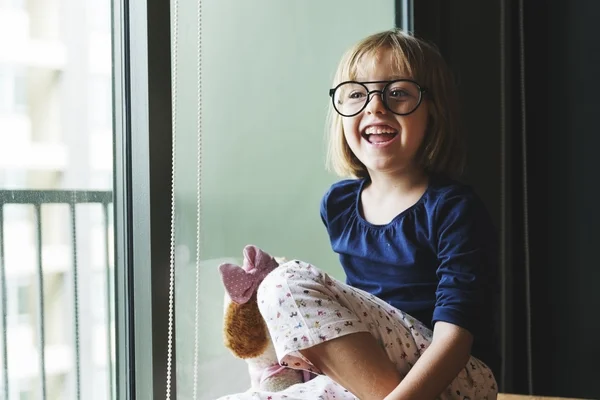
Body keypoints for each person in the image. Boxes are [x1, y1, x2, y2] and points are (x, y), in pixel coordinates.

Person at [218, 28, 500, 400]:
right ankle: (280, 378)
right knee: (258, 302)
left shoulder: (452, 209)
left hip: (452, 379)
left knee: (284, 282)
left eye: (397, 93)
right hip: (379, 372)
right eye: (356, 93)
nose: (375, 106)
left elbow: (456, 338)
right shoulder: (339, 204)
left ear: (434, 111)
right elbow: (366, 313)